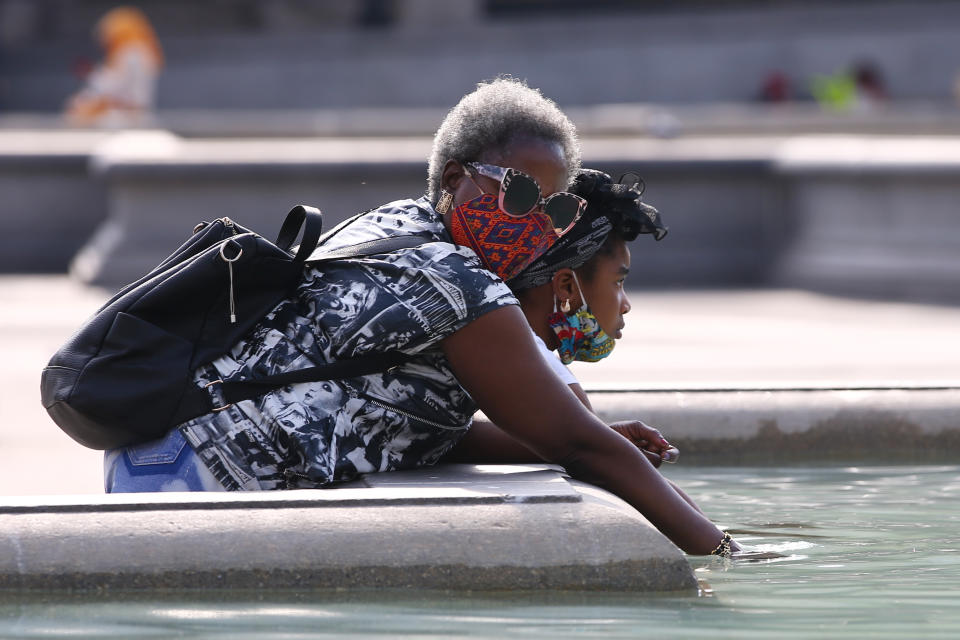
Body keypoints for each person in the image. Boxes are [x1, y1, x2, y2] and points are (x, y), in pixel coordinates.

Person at [104, 77, 736, 556]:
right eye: (517, 194)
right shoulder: (457, 280)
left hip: (158, 459)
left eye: (555, 210)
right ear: (456, 178)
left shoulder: (391, 224)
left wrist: (579, 433)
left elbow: (405, 421)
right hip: (200, 482)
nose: (534, 224)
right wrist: (728, 553)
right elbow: (574, 443)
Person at [444, 168, 719, 518]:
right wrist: (730, 551)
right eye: (618, 282)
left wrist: (603, 438)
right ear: (567, 289)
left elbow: (456, 440)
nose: (626, 304)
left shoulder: (493, 331)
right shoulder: (532, 353)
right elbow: (616, 471)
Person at [64, 6, 163, 127]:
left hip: (130, 118)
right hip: (125, 113)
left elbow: (128, 96)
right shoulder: (130, 53)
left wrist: (95, 101)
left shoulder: (133, 53)